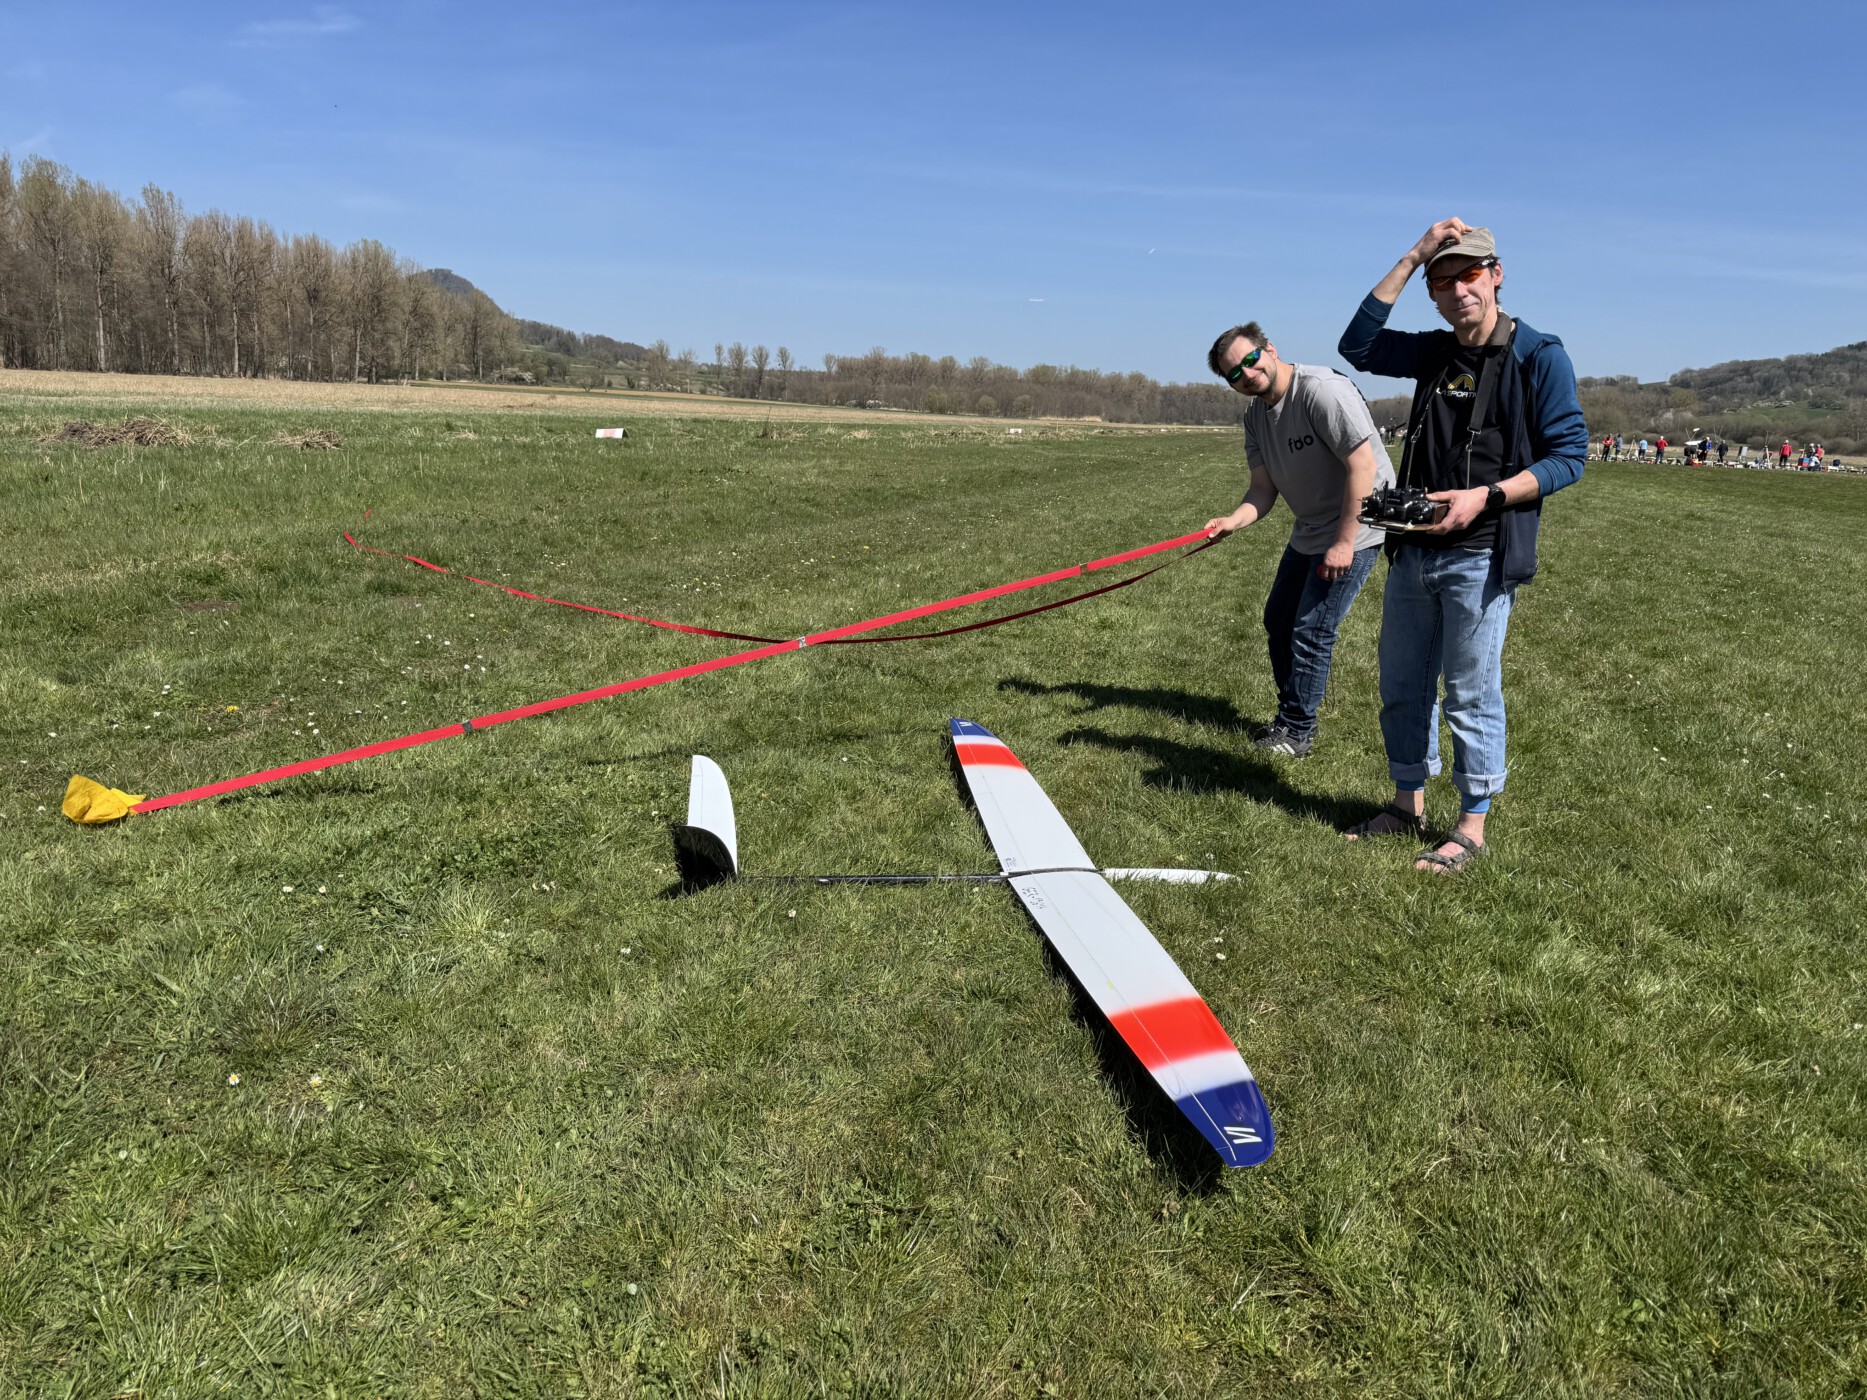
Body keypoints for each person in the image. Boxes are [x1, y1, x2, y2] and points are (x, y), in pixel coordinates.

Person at [1336, 219, 1587, 873]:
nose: (1457, 290)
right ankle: (1406, 805)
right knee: (1401, 685)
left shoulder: (1539, 355)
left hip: (1482, 552)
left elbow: (1569, 457)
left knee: (1470, 694)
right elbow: (1357, 344)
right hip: (1413, 550)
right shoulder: (1434, 353)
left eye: (1469, 274)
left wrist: (1487, 496)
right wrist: (1412, 256)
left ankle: (1471, 825)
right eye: (1441, 281)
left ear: (1496, 275)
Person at [1201, 323, 1394, 756]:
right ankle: (1290, 715)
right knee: (1279, 621)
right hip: (1310, 528)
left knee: (1312, 628)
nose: (1247, 375)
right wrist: (1233, 521)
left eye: (1251, 360)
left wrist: (1344, 543)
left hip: (1357, 525)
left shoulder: (1321, 391)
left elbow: (1363, 467)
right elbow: (1262, 489)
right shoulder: (1255, 418)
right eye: (1235, 374)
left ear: (1269, 349)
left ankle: (1297, 731)